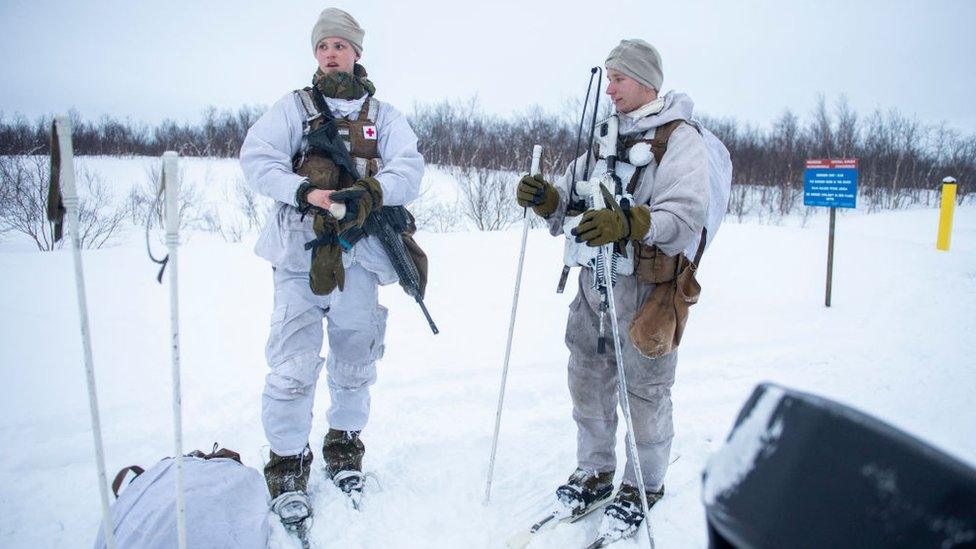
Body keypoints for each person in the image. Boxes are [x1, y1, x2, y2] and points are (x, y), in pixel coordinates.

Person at [516, 39, 710, 542]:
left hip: (646, 292)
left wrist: (629, 220)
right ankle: (595, 470)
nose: (610, 87)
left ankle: (643, 484)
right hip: (593, 289)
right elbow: (572, 211)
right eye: (607, 77)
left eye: (618, 78)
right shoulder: (604, 137)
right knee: (587, 380)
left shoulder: (678, 139)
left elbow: (686, 215)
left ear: (646, 81)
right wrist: (548, 200)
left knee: (644, 392)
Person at [239, 7, 423, 528]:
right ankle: (288, 463)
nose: (330, 53)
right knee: (293, 363)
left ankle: (344, 449)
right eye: (323, 46)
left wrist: (372, 190)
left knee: (355, 360)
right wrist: (303, 191)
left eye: (340, 45)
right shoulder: (293, 108)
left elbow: (409, 167)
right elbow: (257, 159)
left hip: (360, 252)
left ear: (357, 52)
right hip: (300, 251)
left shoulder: (382, 115)